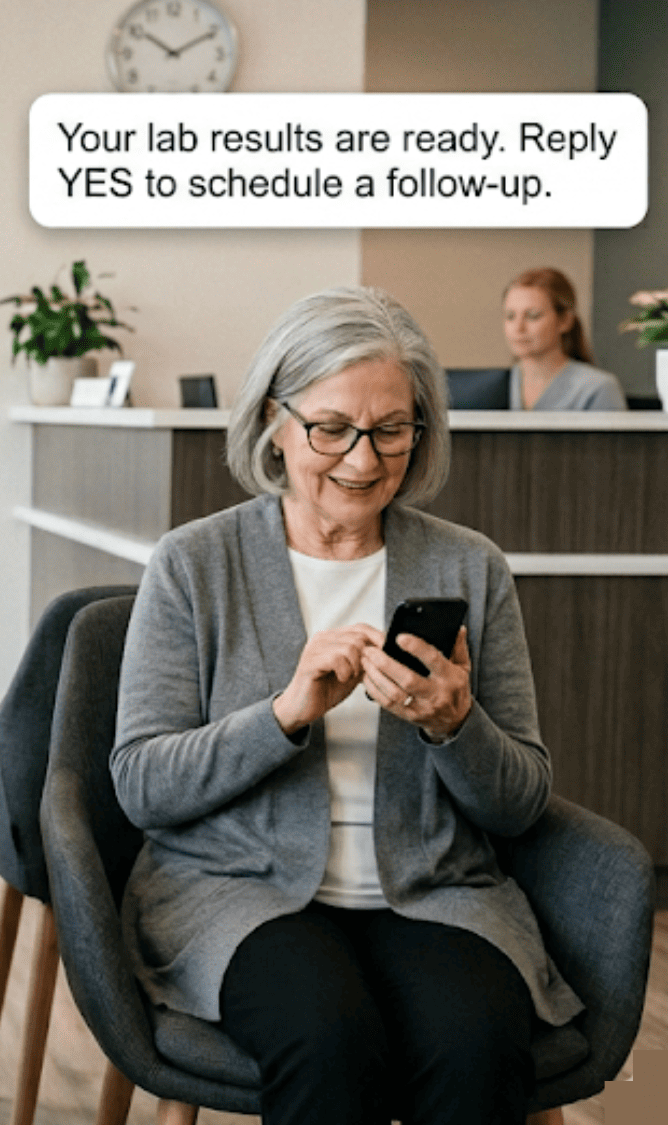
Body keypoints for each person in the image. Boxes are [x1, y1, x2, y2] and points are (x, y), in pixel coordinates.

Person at [112, 287, 580, 1125]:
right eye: (332, 428)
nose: (364, 461)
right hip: (240, 891)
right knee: (329, 1038)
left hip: (434, 890)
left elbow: (520, 802)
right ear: (274, 422)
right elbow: (143, 784)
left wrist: (453, 725)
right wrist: (285, 712)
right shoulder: (193, 565)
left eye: (391, 429)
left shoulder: (471, 569)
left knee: (476, 1038)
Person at [502, 266, 626, 411]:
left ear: (565, 320)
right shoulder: (496, 386)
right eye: (510, 316)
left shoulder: (598, 388)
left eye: (532, 316)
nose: (518, 328)